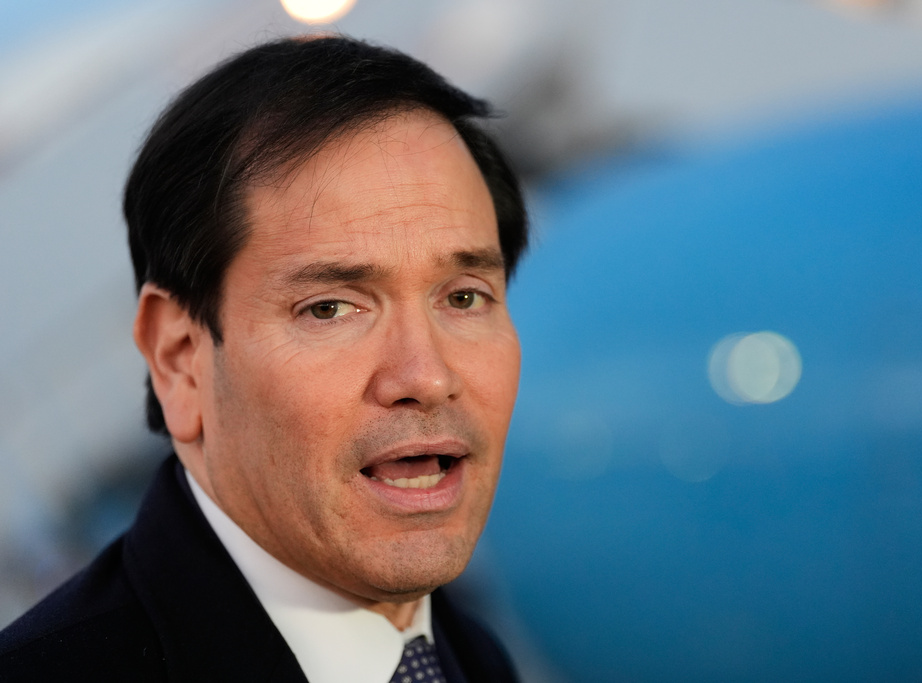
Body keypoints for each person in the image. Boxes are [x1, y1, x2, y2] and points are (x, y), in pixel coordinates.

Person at [0, 35, 527, 682]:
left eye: (465, 297)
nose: (426, 375)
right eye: (331, 307)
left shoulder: (471, 657)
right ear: (179, 359)